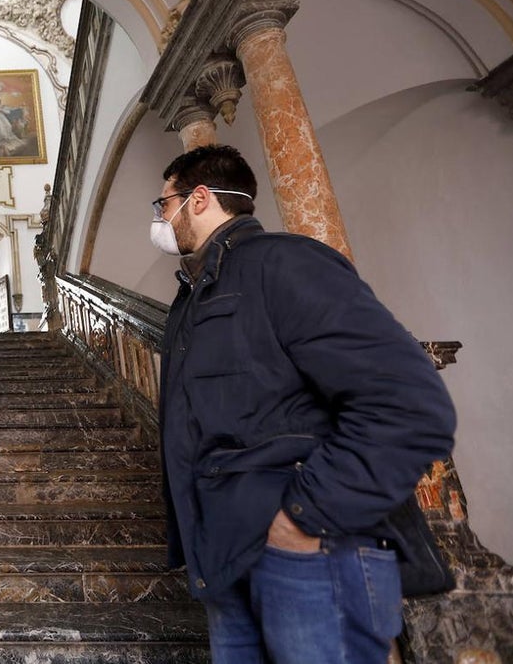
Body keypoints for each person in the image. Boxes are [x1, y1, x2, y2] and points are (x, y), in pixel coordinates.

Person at [151, 144, 456, 663]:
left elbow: (409, 403)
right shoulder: (196, 296)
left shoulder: (284, 263)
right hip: (228, 560)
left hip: (310, 557)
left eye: (164, 205)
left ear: (198, 199)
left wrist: (299, 516)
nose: (160, 219)